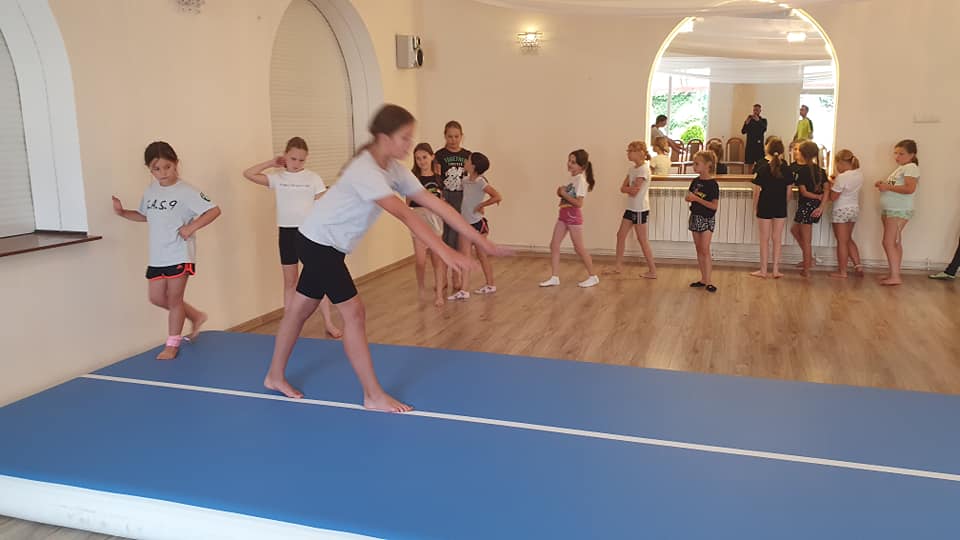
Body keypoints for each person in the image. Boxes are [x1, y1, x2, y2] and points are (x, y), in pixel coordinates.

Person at [262, 104, 512, 412]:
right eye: (404, 138)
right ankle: (373, 395)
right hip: (318, 244)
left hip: (322, 243)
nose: (409, 144)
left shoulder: (393, 169)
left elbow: (436, 204)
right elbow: (405, 214)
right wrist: (445, 251)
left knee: (300, 310)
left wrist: (479, 241)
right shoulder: (365, 170)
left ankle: (274, 376)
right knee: (354, 313)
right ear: (384, 137)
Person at [112, 141, 221, 360]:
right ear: (149, 169)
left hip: (179, 253)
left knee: (174, 300)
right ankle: (195, 316)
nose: (163, 173)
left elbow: (213, 210)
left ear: (176, 163)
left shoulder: (186, 191)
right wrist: (123, 213)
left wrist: (191, 227)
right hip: (158, 255)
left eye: (167, 167)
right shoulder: (150, 191)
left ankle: (172, 345)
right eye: (157, 169)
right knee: (156, 297)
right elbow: (145, 216)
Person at [242, 137, 341, 337]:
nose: (297, 163)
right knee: (290, 282)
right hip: (287, 233)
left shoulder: (313, 178)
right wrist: (271, 162)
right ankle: (289, 325)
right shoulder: (278, 178)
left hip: (310, 234)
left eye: (301, 160)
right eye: (293, 159)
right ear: (285, 156)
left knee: (318, 278)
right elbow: (248, 174)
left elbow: (322, 203)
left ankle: (328, 323)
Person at [539, 149, 600, 288]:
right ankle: (554, 277)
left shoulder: (581, 181)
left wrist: (563, 193)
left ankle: (593, 276)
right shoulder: (573, 178)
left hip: (573, 217)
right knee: (554, 245)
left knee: (579, 248)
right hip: (564, 215)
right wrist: (561, 192)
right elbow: (568, 196)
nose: (569, 164)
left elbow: (579, 203)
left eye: (573, 162)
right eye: (569, 160)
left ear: (581, 166)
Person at [449, 152, 502, 300]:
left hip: (478, 224)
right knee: (465, 256)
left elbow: (497, 196)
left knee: (481, 255)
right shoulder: (465, 181)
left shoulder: (481, 182)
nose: (465, 162)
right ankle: (464, 290)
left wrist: (481, 205)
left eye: (468, 160)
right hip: (465, 224)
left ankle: (490, 285)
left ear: (473, 166)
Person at [607, 141, 656, 278]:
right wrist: (628, 189)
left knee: (642, 239)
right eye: (627, 151)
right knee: (620, 235)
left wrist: (628, 189)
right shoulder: (632, 169)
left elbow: (634, 191)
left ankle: (652, 271)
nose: (628, 154)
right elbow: (623, 188)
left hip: (639, 209)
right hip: (631, 208)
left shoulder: (644, 169)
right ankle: (618, 266)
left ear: (640, 153)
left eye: (630, 151)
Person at [875, 139, 920, 286]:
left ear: (912, 155)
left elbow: (909, 189)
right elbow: (897, 186)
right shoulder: (901, 168)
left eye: (901, 154)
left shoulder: (911, 167)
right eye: (895, 153)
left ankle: (895, 276)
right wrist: (883, 185)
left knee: (889, 242)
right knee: (894, 242)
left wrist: (887, 187)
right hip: (892, 209)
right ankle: (894, 273)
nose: (897, 156)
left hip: (898, 210)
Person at [750, 137, 790, 279]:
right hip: (780, 206)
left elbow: (756, 191)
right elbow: (789, 192)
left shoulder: (762, 168)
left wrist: (755, 207)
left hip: (765, 205)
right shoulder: (786, 168)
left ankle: (763, 270)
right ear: (782, 151)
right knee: (777, 239)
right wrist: (784, 204)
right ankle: (776, 270)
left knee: (764, 239)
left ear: (767, 149)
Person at [686, 151, 720, 293]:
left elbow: (714, 206)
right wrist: (690, 198)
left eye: (697, 163)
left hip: (706, 219)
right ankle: (703, 279)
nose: (694, 166)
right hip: (695, 216)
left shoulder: (713, 184)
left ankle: (709, 281)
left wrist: (696, 199)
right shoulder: (695, 181)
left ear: (708, 165)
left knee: (705, 249)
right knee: (699, 249)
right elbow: (689, 196)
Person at [741, 104, 768, 173]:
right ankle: (749, 176)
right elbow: (743, 131)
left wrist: (758, 120)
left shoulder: (763, 120)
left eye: (757, 110)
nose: (755, 112)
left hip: (759, 145)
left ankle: (759, 176)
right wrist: (746, 123)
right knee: (750, 163)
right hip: (750, 145)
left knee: (760, 163)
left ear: (760, 111)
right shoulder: (749, 120)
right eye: (754, 110)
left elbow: (764, 129)